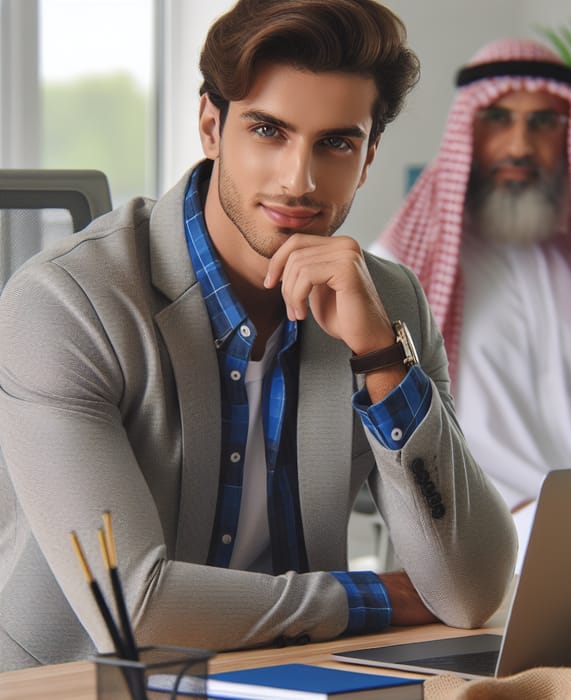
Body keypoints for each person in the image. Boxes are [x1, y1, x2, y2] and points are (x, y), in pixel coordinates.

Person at [0, 0, 517, 671]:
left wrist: (381, 356)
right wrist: (373, 598)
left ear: (368, 157)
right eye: (269, 131)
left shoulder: (389, 304)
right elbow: (132, 609)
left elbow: (472, 590)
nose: (298, 180)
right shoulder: (65, 305)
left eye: (336, 142)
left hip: (300, 681)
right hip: (76, 686)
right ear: (211, 126)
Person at [373, 38, 571, 571]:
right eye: (498, 118)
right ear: (467, 131)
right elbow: (396, 447)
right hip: (495, 537)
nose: (520, 145)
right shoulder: (399, 270)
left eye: (544, 123)